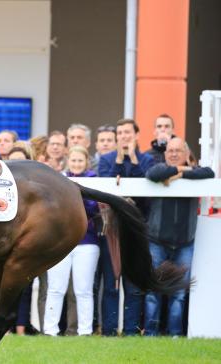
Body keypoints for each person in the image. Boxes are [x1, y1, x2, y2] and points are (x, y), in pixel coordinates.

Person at [144, 138, 214, 336]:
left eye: (178, 151)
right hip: (157, 241)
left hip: (185, 242)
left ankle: (175, 334)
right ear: (165, 155)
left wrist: (180, 172)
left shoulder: (196, 172)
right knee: (152, 292)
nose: (173, 154)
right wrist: (179, 171)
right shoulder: (159, 169)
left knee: (179, 293)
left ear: (186, 154)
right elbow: (152, 174)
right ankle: (150, 334)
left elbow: (209, 173)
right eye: (170, 151)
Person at [98, 118, 155, 336]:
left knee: (132, 285)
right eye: (120, 133)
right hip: (112, 230)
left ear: (136, 135)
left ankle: (131, 331)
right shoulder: (106, 160)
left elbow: (145, 187)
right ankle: (110, 331)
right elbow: (107, 185)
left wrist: (132, 159)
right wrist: (120, 161)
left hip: (136, 230)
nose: (123, 136)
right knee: (111, 283)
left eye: (127, 132)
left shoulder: (146, 160)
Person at [43, 146, 99, 336]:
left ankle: (85, 331)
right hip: (60, 242)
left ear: (86, 162)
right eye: (73, 160)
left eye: (80, 161)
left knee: (83, 290)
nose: (76, 164)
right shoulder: (58, 178)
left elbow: (92, 208)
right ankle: (50, 330)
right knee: (55, 289)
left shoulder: (94, 179)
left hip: (87, 242)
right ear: (68, 161)